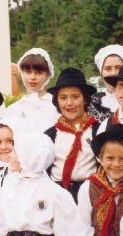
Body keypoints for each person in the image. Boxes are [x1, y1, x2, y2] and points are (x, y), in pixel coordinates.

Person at [45, 67, 100, 199]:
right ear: (57, 101)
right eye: (63, 98)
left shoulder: (97, 131)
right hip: (57, 193)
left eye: (75, 97)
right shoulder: (50, 135)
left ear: (85, 99)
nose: (69, 103)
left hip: (88, 192)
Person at [4, 48, 60, 134]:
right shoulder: (12, 110)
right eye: (28, 72)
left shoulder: (57, 106)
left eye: (38, 72)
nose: (33, 77)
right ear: (22, 73)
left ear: (47, 74)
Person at [89, 44, 123, 121]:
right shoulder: (91, 105)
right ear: (101, 73)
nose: (113, 73)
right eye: (107, 69)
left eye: (119, 68)